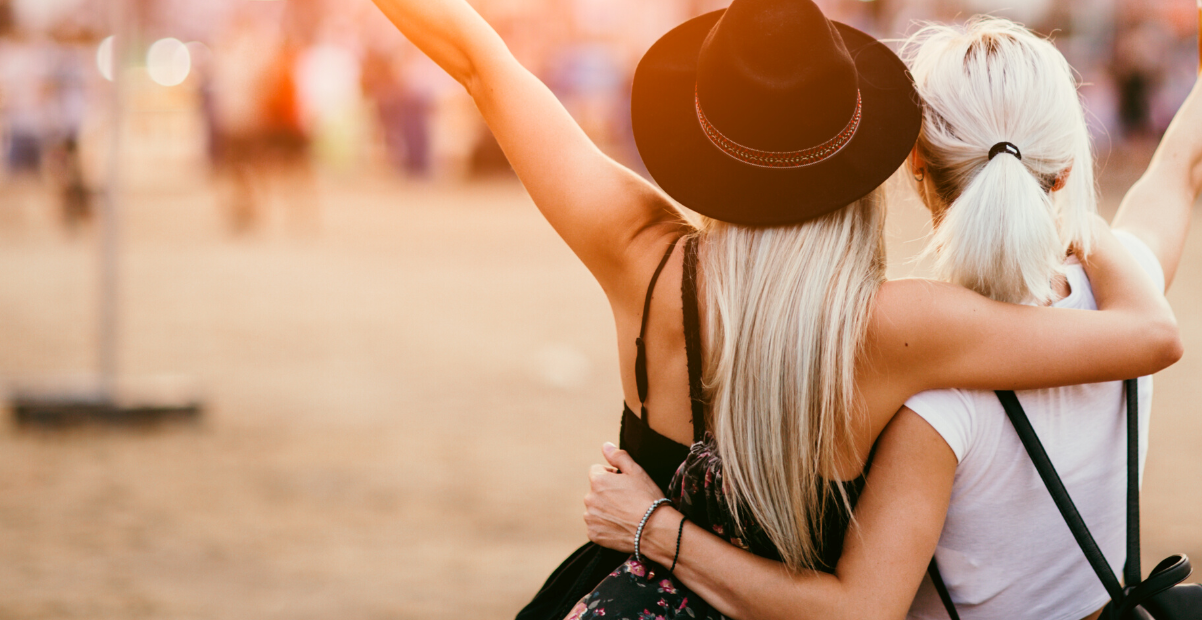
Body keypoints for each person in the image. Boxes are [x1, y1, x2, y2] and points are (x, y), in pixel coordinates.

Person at [357, 2, 1181, 620]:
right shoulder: (902, 328)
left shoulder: (638, 254)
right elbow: (1144, 336)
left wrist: (650, 524)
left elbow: (478, 60)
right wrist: (1082, 222)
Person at [582, 17, 1201, 620]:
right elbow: (1178, 168)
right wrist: (1080, 222)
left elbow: (858, 610)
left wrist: (657, 529)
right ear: (1065, 167)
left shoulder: (927, 393)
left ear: (914, 164)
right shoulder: (1120, 298)